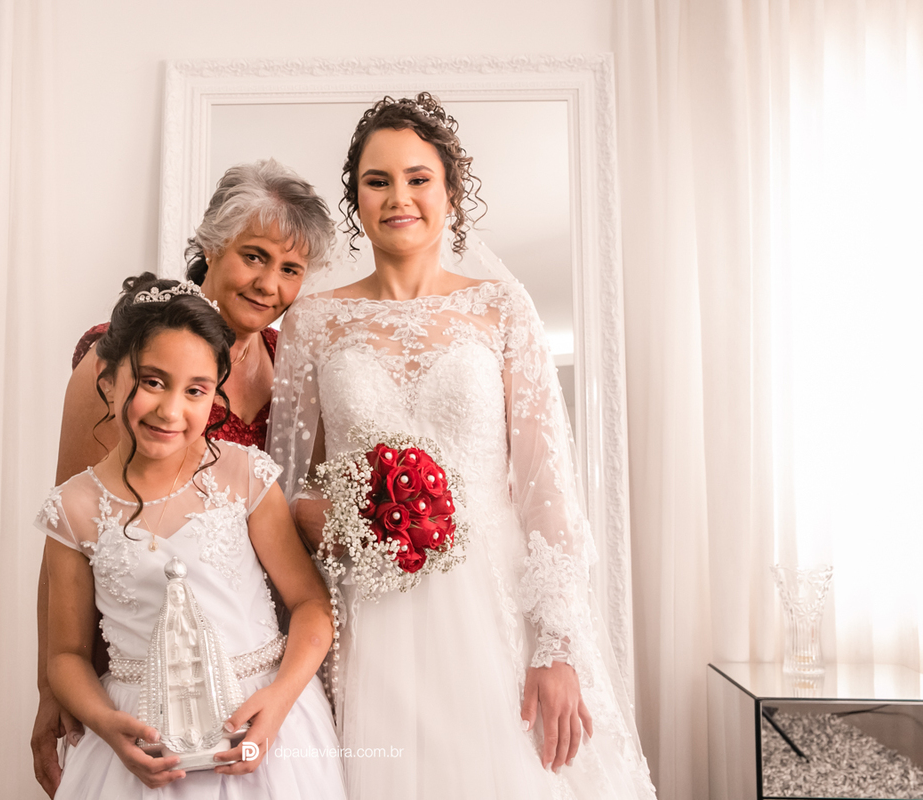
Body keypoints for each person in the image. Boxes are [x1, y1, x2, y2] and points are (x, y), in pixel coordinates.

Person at [269, 94, 657, 799]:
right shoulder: (313, 322)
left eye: (418, 178)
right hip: (368, 610)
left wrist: (557, 646)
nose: (399, 197)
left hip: (492, 607)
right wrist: (352, 520)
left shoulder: (501, 308)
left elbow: (546, 492)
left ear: (451, 191)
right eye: (378, 181)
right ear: (355, 199)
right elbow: (291, 489)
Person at [33, 161, 334, 797]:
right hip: (144, 660)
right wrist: (55, 689)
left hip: (261, 663)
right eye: (254, 256)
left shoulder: (292, 363)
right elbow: (79, 528)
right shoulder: (120, 354)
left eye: (291, 269)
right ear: (212, 246)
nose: (270, 284)